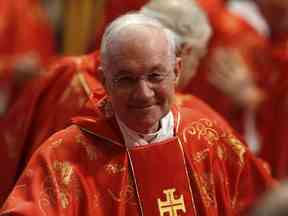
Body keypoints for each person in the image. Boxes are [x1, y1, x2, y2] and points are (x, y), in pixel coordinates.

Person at [0, 13, 275, 215]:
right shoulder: (65, 155)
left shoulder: (208, 135)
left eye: (155, 76)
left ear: (177, 71)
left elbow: (265, 201)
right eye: (126, 79)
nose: (143, 93)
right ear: (105, 80)